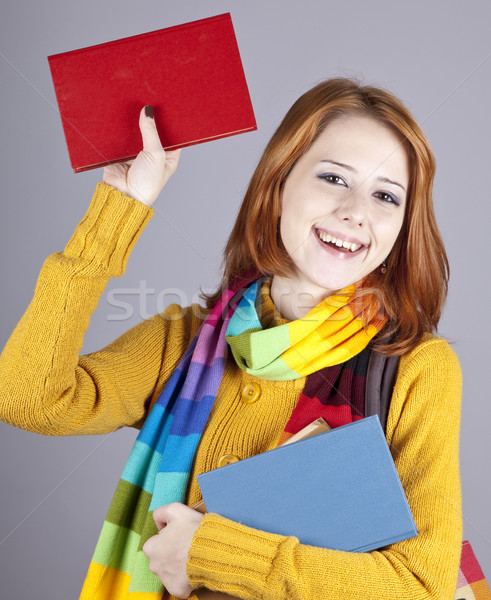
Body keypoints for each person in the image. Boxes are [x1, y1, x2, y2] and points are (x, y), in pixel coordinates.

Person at [0, 78, 462, 600]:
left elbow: (424, 587)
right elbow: (28, 398)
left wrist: (206, 553)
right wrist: (118, 209)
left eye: (385, 195)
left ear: (402, 224)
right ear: (278, 182)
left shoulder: (417, 368)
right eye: (334, 178)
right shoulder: (184, 342)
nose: (357, 211)